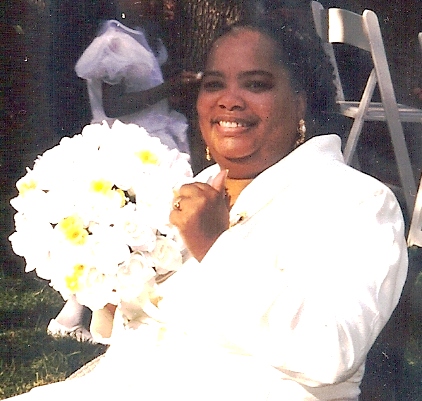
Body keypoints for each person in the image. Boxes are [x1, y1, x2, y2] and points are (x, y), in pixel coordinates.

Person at [9, 11, 408, 401]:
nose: (228, 101)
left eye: (256, 84)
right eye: (213, 84)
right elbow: (133, 329)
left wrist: (217, 247)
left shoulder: (357, 202)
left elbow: (330, 352)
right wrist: (108, 280)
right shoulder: (190, 187)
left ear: (301, 102)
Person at [47, 0, 200, 343]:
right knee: (122, 234)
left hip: (149, 143)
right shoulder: (113, 41)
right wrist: (170, 87)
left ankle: (88, 314)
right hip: (126, 149)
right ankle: (81, 315)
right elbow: (115, 104)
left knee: (140, 235)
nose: (166, 4)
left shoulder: (142, 38)